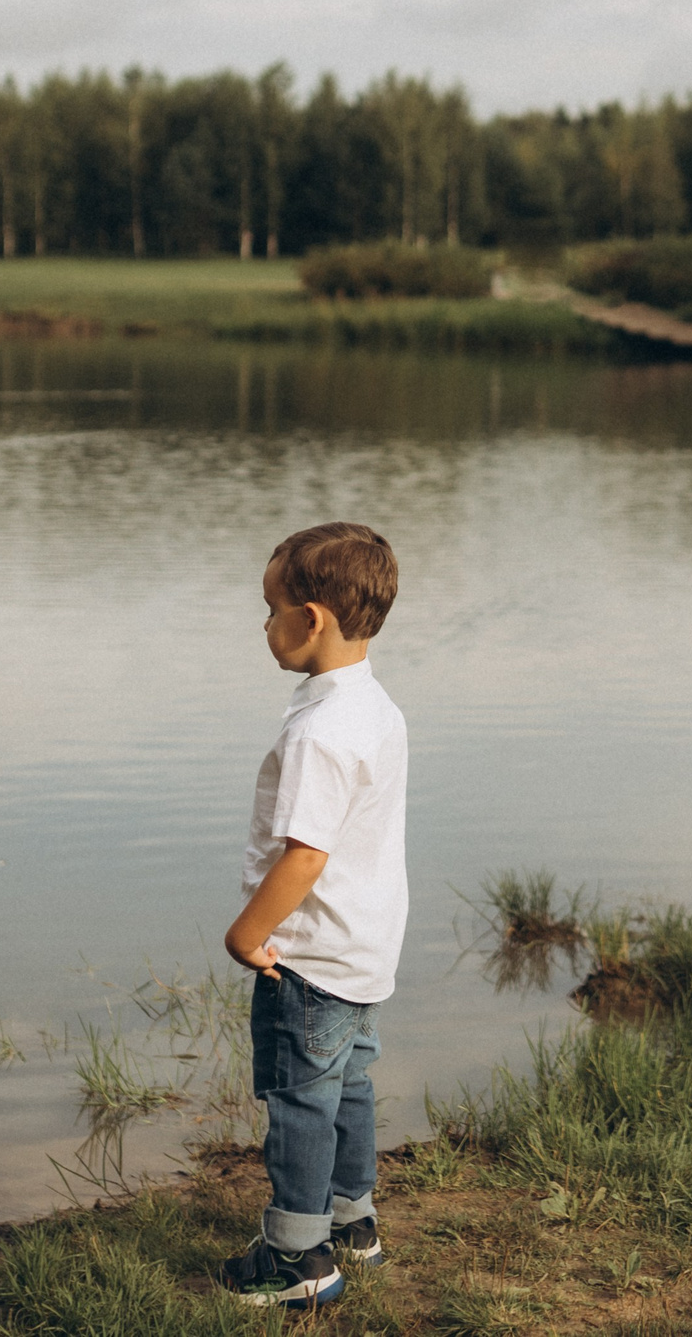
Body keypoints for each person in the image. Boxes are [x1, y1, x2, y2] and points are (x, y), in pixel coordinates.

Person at [217, 522, 410, 1307]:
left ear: (311, 618)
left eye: (269, 609)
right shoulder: (375, 706)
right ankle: (352, 1222)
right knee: (349, 1084)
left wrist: (247, 932)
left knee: (301, 1097)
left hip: (311, 955)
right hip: (364, 945)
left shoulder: (318, 731)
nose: (264, 625)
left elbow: (305, 854)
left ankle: (298, 1257)